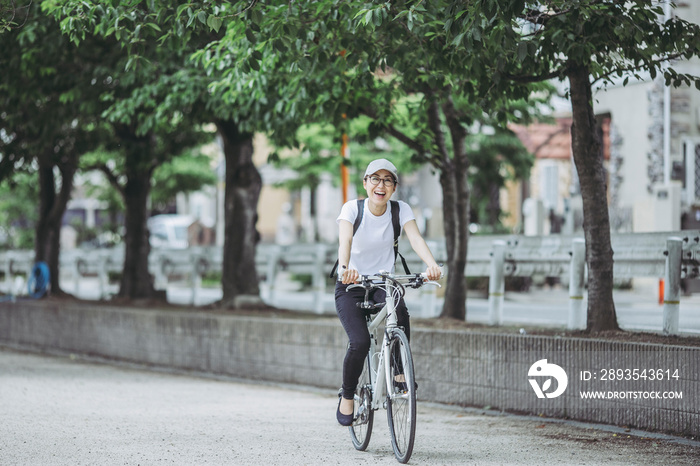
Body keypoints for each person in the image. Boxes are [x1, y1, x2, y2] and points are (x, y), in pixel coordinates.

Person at [334, 158, 441, 426]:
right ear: (366, 183)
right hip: (352, 285)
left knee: (400, 312)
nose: (381, 185)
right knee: (360, 342)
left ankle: (398, 373)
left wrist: (431, 265)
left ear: (394, 186)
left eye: (388, 180)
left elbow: (415, 238)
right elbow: (345, 240)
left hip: (383, 283)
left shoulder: (400, 209)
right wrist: (346, 268)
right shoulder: (352, 209)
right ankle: (348, 395)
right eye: (375, 179)